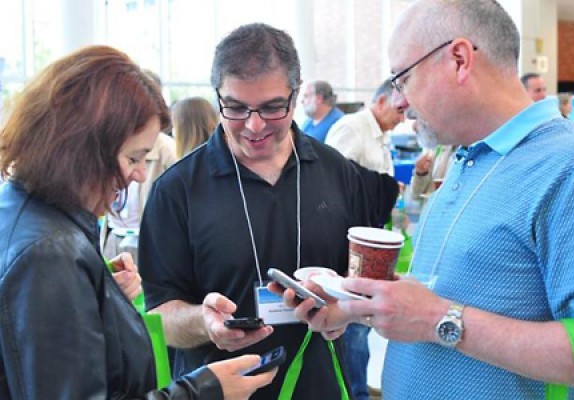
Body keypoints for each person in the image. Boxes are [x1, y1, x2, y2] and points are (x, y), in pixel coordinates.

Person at [274, 1, 574, 399]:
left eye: (402, 78)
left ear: (459, 59)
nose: (398, 102)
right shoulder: (467, 159)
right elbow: (453, 294)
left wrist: (437, 320)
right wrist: (357, 304)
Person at [0, 45, 276, 399]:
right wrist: (203, 390)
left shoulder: (28, 214)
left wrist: (94, 290)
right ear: (82, 148)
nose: (140, 174)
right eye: (133, 157)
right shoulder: (49, 254)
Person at [138, 23, 397, 400]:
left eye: (273, 108)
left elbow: (360, 285)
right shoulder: (177, 190)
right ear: (217, 98)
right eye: (236, 107)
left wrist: (347, 312)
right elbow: (160, 315)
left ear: (295, 96)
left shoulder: (336, 173)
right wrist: (203, 322)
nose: (254, 125)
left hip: (318, 384)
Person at [325, 78, 404, 400]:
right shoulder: (352, 128)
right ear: (381, 101)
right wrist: (383, 186)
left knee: (362, 322)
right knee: (353, 324)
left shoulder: (381, 136)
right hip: (351, 246)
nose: (403, 117)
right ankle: (353, 391)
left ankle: (357, 387)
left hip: (371, 241)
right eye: (399, 109)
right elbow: (332, 179)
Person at [101, 69, 177, 262]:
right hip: (114, 234)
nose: (141, 174)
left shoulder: (166, 149)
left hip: (146, 239)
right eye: (133, 159)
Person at [326, 79, 405, 177]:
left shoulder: (382, 132)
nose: (403, 119)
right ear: (381, 102)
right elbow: (336, 178)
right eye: (400, 111)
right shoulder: (350, 128)